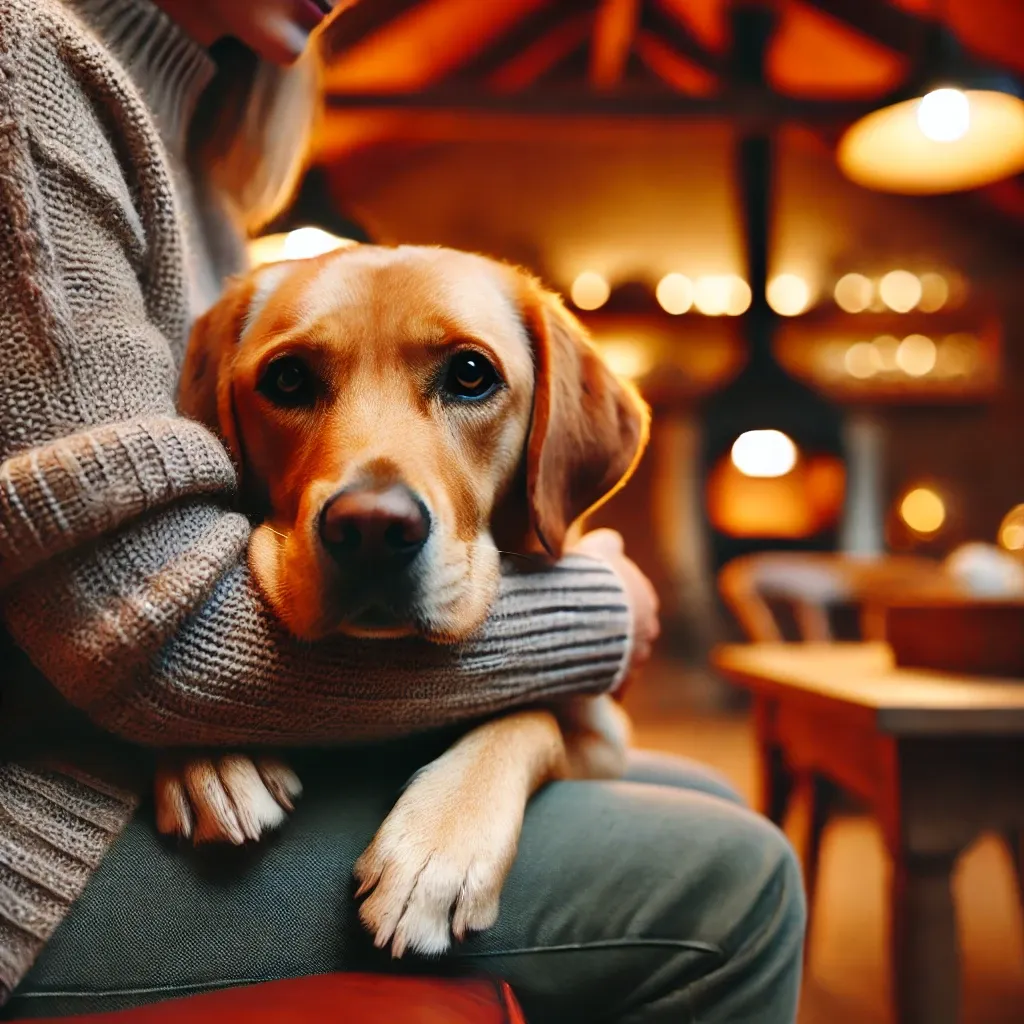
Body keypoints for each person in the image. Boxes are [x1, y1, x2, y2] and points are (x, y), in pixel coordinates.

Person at [0, 0, 805, 1020]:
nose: (375, 495)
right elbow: (135, 622)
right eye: (294, 384)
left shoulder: (201, 170)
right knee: (732, 879)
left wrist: (504, 750)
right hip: (43, 822)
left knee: (712, 797)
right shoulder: (24, 72)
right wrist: (591, 611)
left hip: (177, 741)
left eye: (466, 378)